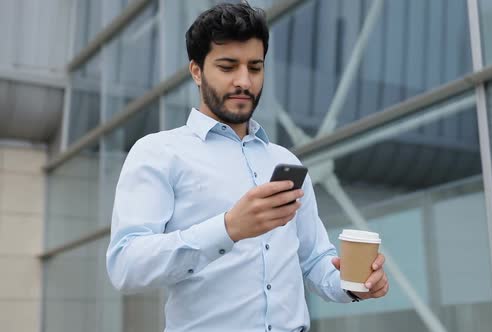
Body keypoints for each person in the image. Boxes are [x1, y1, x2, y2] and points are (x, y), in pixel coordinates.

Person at [106, 2, 389, 331]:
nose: (244, 81)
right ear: (196, 71)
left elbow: (313, 260)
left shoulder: (285, 161)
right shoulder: (159, 152)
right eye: (228, 67)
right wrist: (228, 228)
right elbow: (126, 266)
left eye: (254, 68)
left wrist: (353, 284)